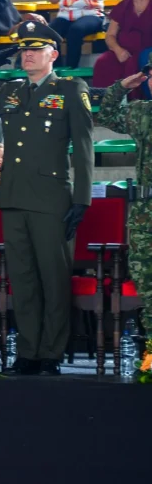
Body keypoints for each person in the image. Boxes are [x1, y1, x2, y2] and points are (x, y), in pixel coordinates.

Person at [0, 21, 94, 376]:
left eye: (36, 48)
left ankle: (52, 351)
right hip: (14, 197)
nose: (28, 54)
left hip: (52, 198)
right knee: (24, 279)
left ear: (54, 53)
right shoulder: (12, 91)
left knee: (53, 277)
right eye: (24, 49)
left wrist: (81, 198)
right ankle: (29, 350)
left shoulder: (69, 88)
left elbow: (82, 146)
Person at [97, 69, 152, 341]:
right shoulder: (142, 112)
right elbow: (105, 116)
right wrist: (120, 88)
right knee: (147, 285)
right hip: (145, 217)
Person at [93, 0, 152, 99]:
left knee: (145, 61)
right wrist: (118, 50)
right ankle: (105, 107)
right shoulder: (124, 5)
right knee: (103, 61)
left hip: (148, 51)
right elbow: (110, 35)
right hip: (124, 51)